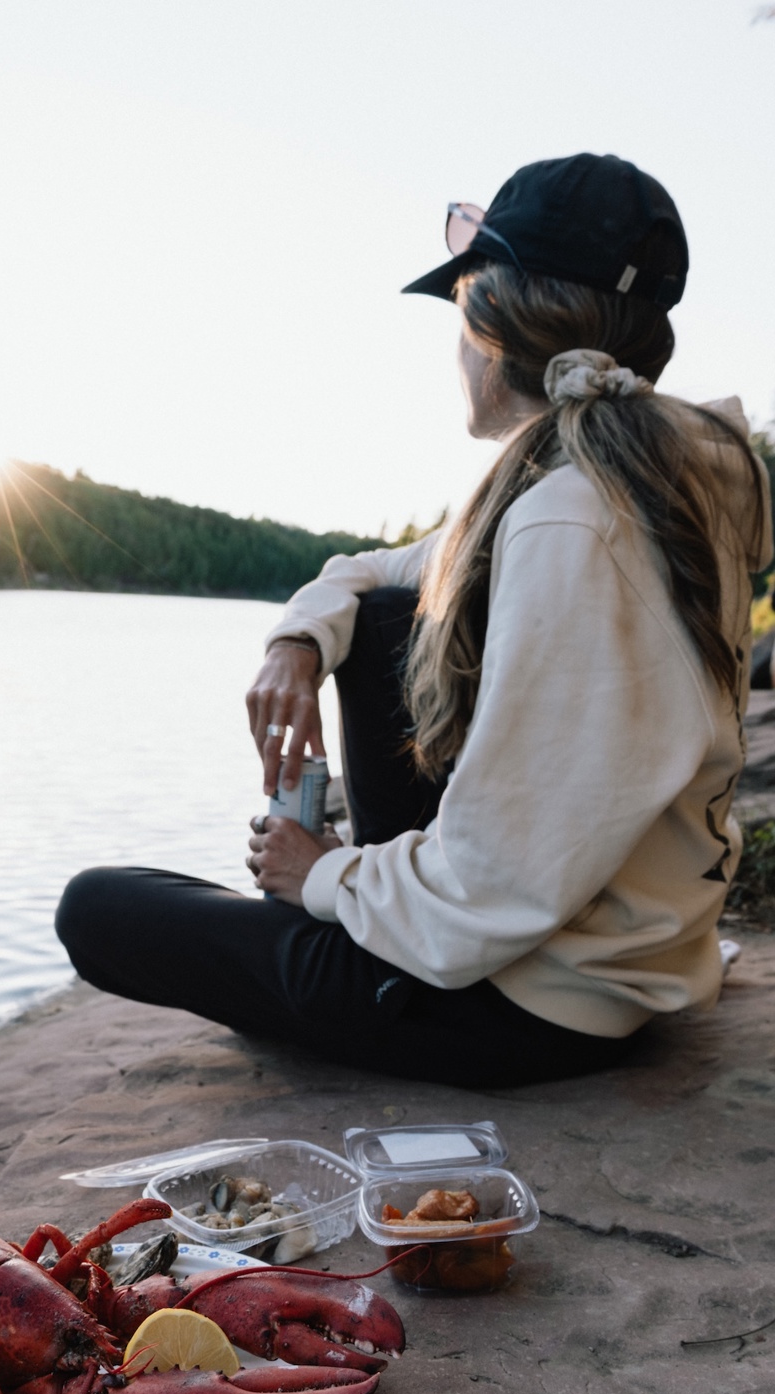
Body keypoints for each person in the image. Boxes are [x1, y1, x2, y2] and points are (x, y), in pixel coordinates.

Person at [56, 153, 772, 1088]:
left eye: (463, 307)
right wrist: (297, 641)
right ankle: (356, 911)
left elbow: (496, 887)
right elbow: (378, 570)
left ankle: (351, 935)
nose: (458, 346)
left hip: (527, 1008)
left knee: (100, 912)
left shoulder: (572, 523)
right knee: (389, 612)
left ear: (498, 322)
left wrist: (320, 877)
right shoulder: (634, 474)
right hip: (601, 960)